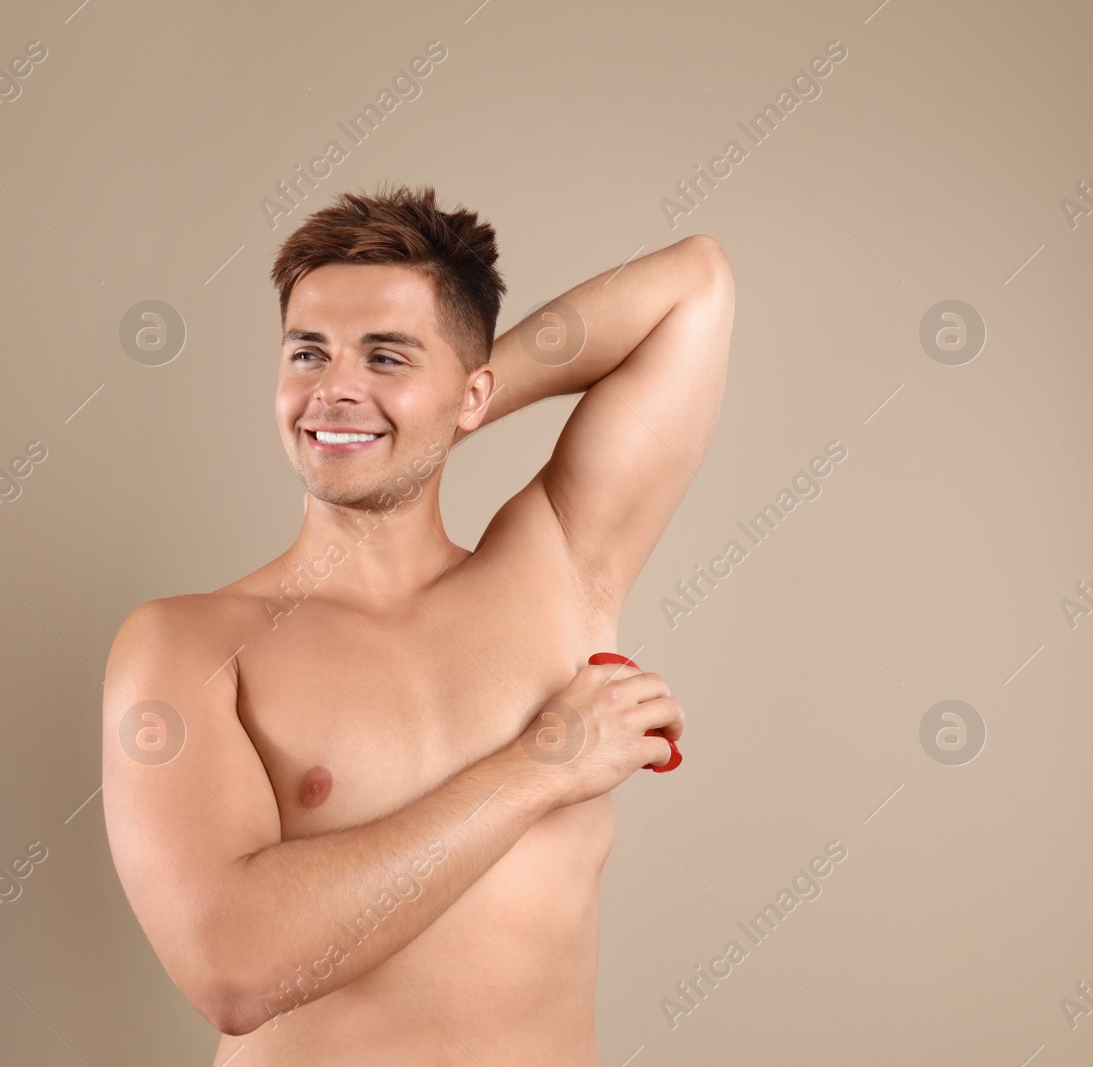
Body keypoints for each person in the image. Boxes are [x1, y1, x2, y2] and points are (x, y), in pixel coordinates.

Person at [102, 183, 734, 1064]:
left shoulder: (557, 565)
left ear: (473, 390)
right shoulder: (190, 644)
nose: (332, 390)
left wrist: (428, 422)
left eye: (386, 356)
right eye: (307, 355)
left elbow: (692, 287)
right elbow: (234, 970)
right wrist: (537, 765)